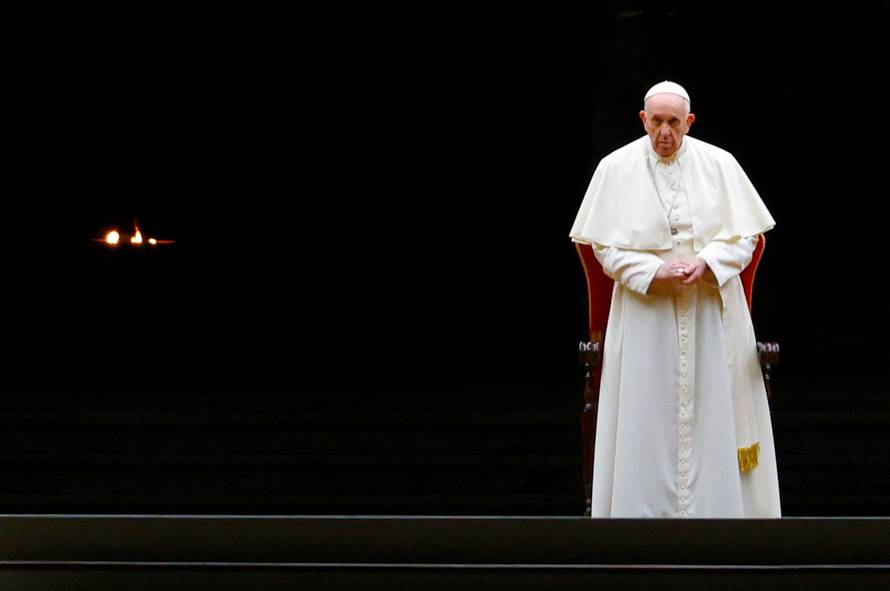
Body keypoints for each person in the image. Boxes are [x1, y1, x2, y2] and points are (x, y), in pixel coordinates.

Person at [569, 81, 781, 518]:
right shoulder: (615, 168)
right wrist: (652, 271)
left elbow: (746, 239)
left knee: (710, 416)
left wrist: (707, 261)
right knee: (646, 419)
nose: (665, 132)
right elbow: (604, 248)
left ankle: (717, 518)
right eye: (657, 122)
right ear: (643, 120)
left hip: (709, 309)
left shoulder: (720, 165)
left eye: (674, 123)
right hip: (645, 312)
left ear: (690, 122)